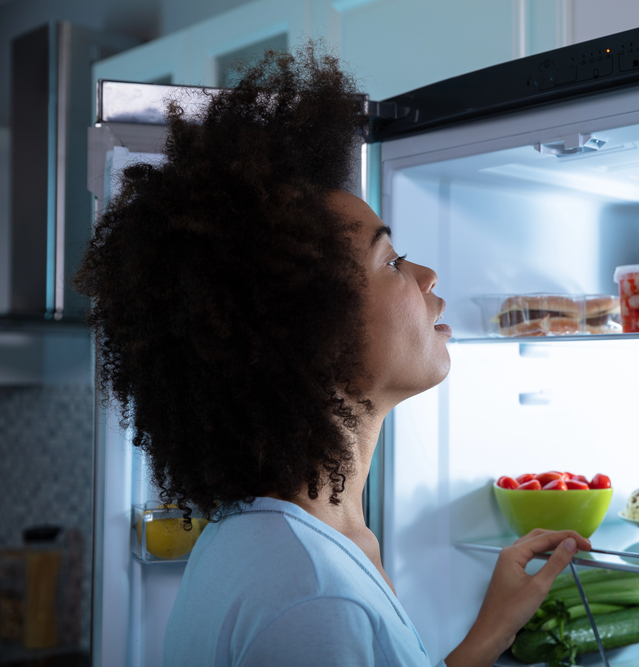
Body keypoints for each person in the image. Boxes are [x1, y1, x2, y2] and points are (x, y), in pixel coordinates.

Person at [75, 45, 591, 666]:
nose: (426, 274)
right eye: (391, 261)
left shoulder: (291, 538)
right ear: (312, 329)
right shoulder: (312, 598)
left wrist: (493, 631)